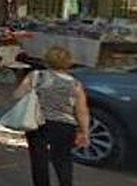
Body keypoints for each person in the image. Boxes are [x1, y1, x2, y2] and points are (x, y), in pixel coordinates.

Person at [12, 46, 90, 186]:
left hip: (38, 122)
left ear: (46, 60)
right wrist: (84, 131)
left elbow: (17, 95)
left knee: (38, 159)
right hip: (65, 125)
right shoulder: (75, 84)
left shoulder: (36, 76)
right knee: (63, 159)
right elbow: (81, 110)